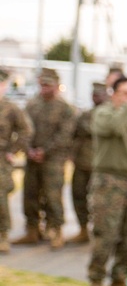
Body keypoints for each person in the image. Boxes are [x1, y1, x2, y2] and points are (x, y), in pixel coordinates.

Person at [87, 76, 127, 286]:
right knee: (105, 233)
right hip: (108, 181)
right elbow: (115, 128)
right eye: (125, 93)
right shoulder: (103, 113)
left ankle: (119, 280)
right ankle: (96, 280)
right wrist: (126, 107)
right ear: (114, 94)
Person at [13, 68, 76, 249]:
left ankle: (56, 230)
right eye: (41, 85)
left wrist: (44, 151)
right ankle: (32, 230)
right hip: (33, 158)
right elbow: (24, 129)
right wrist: (29, 150)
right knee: (30, 194)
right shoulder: (32, 105)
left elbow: (65, 135)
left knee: (52, 195)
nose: (44, 88)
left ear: (56, 85)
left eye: (47, 85)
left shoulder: (65, 108)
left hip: (53, 160)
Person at [68, 81, 107, 244]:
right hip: (82, 163)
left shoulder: (108, 114)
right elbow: (74, 134)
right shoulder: (85, 114)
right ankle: (83, 229)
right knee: (78, 195)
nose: (95, 97)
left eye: (99, 94)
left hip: (100, 166)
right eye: (93, 94)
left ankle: (101, 233)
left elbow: (95, 130)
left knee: (99, 201)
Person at [0, 68, 33, 253]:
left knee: (1, 198)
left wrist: (13, 150)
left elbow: (26, 130)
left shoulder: (11, 108)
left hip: (1, 159)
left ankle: (3, 235)